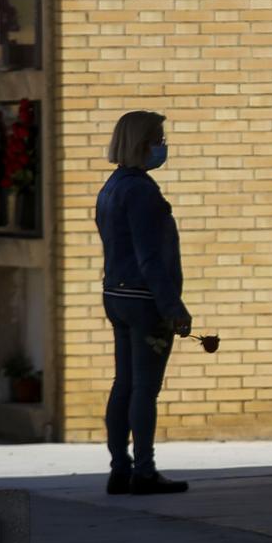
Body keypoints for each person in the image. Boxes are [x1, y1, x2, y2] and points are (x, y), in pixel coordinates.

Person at [97, 110, 190, 495]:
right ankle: (145, 471)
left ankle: (120, 468)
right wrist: (173, 308)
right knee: (144, 388)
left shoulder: (113, 186)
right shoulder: (141, 192)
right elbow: (151, 257)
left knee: (124, 383)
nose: (162, 147)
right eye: (158, 139)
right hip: (144, 299)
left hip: (116, 294)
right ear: (141, 143)